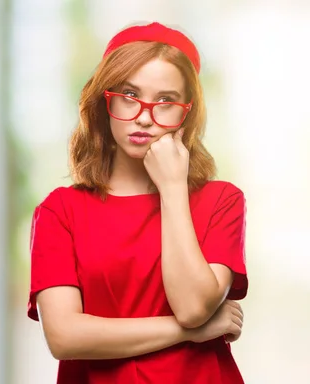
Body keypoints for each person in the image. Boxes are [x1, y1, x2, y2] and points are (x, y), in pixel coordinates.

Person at [27, 22, 249, 383]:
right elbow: (65, 336)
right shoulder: (60, 210)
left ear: (186, 113)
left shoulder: (222, 201)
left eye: (165, 100)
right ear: (105, 100)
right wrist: (188, 333)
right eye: (130, 95)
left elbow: (193, 307)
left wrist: (173, 187)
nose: (144, 115)